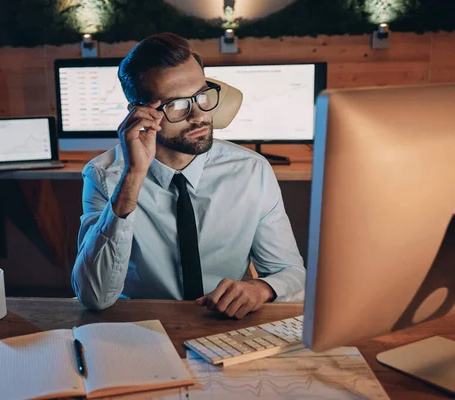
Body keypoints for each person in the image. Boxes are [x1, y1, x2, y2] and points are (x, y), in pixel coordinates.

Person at [71, 32, 305, 318]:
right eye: (176, 105)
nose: (198, 115)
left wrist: (261, 288)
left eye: (202, 95)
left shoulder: (251, 171)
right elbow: (94, 297)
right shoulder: (103, 176)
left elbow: (291, 272)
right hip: (142, 325)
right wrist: (133, 176)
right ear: (140, 114)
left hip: (227, 324)